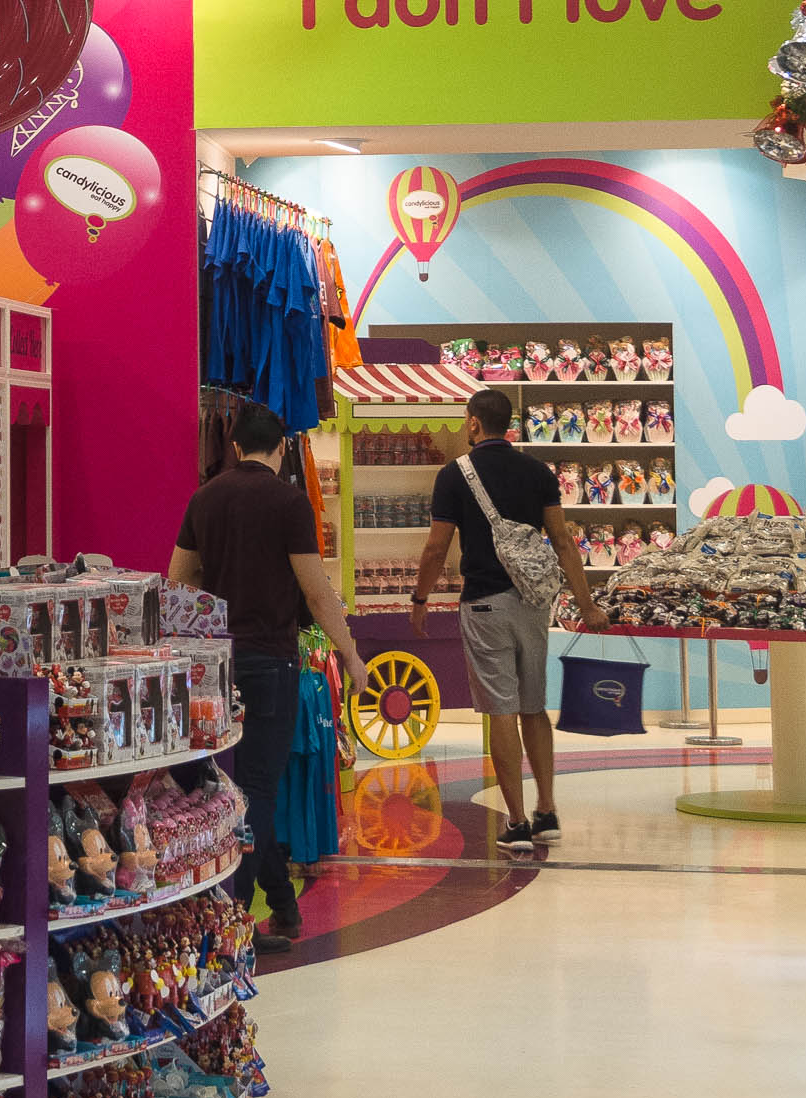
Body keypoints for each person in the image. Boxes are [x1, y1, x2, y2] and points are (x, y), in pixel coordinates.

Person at [169, 400, 368, 950]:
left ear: (234, 447)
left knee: (229, 785)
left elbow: (179, 581)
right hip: (271, 661)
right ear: (282, 447)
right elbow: (315, 591)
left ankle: (281, 907)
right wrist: (350, 654)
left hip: (215, 665)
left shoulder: (204, 498)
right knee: (258, 789)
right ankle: (235, 920)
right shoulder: (290, 502)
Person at [411, 388, 607, 854]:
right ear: (510, 425)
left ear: (474, 423)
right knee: (533, 707)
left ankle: (516, 822)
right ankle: (547, 811)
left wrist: (420, 598)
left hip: (484, 604)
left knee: (501, 709)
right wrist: (586, 604)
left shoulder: (454, 475)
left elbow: (436, 547)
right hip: (533, 603)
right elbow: (562, 541)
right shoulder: (538, 473)